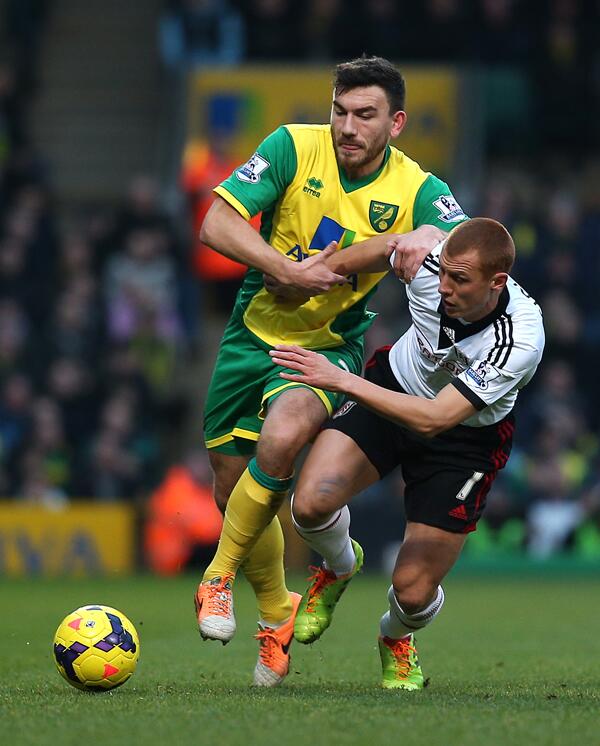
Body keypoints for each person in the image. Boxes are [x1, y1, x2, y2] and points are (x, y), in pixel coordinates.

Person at [195, 55, 468, 688]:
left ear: (396, 123)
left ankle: (216, 577)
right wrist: (286, 270)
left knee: (283, 436)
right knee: (230, 490)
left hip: (329, 347)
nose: (348, 127)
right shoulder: (291, 146)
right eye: (340, 111)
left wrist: (428, 236)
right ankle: (276, 614)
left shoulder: (417, 188)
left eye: (365, 115)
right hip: (249, 337)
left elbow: (462, 242)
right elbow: (215, 223)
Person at [269, 218, 545, 690]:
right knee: (309, 505)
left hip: (463, 440)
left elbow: (435, 419)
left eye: (460, 280)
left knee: (413, 592)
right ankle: (340, 566)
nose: (444, 287)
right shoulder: (432, 262)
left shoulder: (519, 337)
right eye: (444, 273)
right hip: (393, 387)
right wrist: (311, 274)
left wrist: (340, 380)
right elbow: (385, 249)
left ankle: (395, 637)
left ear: (497, 283)